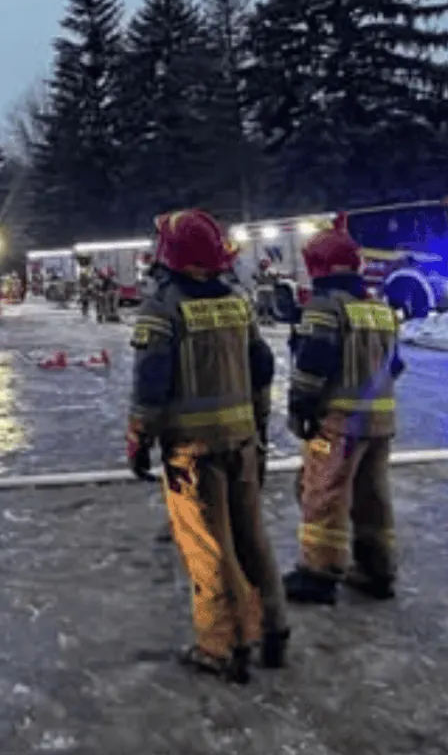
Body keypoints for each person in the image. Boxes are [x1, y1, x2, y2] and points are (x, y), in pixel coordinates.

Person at [127, 209, 287, 682]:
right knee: (252, 539)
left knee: (208, 547)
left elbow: (150, 385)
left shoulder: (162, 309)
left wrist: (139, 439)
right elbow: (263, 369)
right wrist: (257, 426)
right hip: (241, 441)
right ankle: (273, 630)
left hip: (191, 451)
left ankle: (224, 645)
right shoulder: (239, 304)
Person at [282, 219, 405, 606]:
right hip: (380, 421)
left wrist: (301, 405)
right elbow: (396, 365)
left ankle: (319, 572)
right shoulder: (380, 310)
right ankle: (376, 569)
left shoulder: (323, 308)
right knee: (372, 497)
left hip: (339, 422)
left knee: (324, 494)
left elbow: (313, 363)